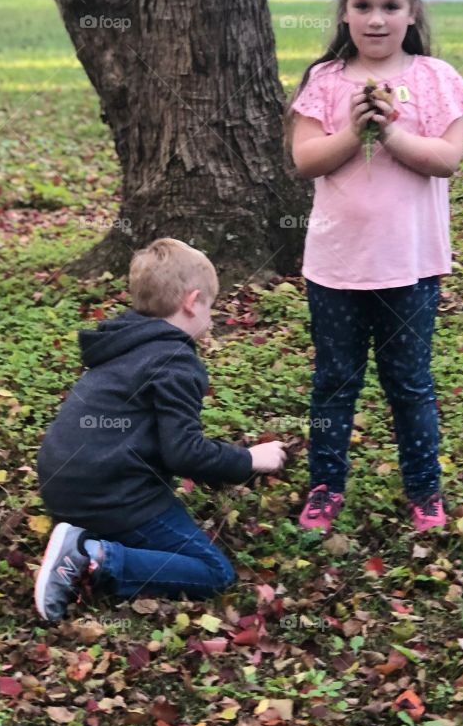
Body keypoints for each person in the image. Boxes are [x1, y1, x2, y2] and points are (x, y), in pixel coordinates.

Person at [286, 0, 463, 536]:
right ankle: (325, 486)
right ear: (344, 12)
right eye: (363, 6)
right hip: (336, 267)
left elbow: (446, 159)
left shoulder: (436, 79)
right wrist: (353, 130)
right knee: (334, 382)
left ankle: (424, 489)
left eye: (390, 6)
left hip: (410, 266)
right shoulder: (324, 81)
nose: (376, 19)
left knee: (410, 383)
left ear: (412, 11)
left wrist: (390, 132)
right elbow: (306, 160)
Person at [33, 238, 286, 622]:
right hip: (112, 496)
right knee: (215, 572)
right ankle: (91, 554)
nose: (211, 318)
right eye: (211, 306)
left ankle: (81, 538)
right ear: (192, 301)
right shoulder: (176, 361)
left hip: (64, 487)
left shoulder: (125, 340)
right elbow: (183, 453)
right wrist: (249, 459)